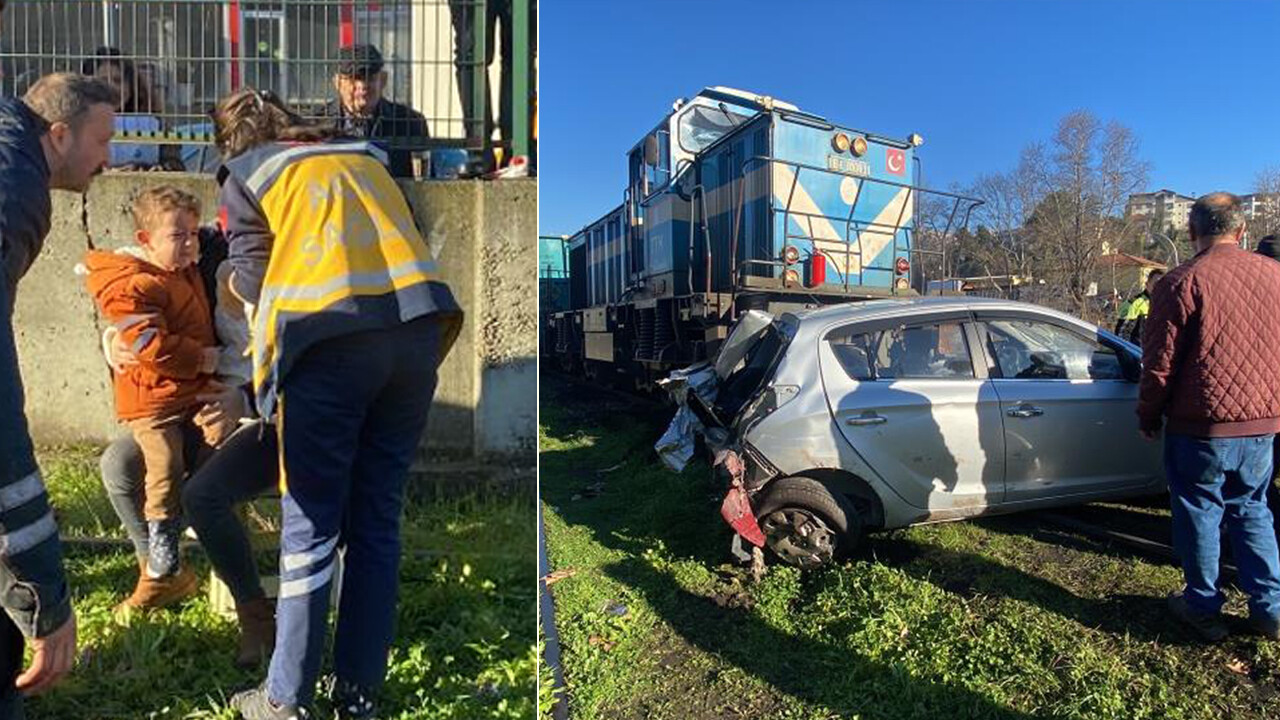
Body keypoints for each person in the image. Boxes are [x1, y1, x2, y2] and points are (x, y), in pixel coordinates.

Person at [213, 87, 461, 719]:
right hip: (416, 336)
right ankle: (357, 695)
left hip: (329, 350)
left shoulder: (249, 174)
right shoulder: (366, 157)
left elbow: (250, 277)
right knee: (376, 521)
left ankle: (284, 699)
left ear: (233, 142)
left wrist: (229, 294)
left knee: (311, 526)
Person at [0, 72, 116, 720]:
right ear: (61, 133)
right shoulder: (12, 187)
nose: (111, 159)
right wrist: (46, 594)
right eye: (103, 139)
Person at [1138, 192, 1280, 642]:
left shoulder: (1181, 282)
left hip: (1201, 425)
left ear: (1192, 231)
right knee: (1253, 510)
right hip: (1263, 424)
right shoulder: (1276, 277)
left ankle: (1201, 604)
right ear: (1242, 232)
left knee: (1200, 512)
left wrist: (1148, 413)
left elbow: (1158, 362)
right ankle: (1271, 609)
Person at [84, 187, 229, 589]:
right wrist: (114, 340)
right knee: (138, 463)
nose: (189, 243)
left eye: (192, 235)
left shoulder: (198, 258)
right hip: (161, 401)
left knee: (210, 454)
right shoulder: (152, 272)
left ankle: (194, 529)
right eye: (179, 237)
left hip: (209, 395)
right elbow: (144, 333)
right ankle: (158, 557)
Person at [317, 44, 428, 179]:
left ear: (383, 80)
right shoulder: (317, 123)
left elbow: (423, 179)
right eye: (354, 78)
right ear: (337, 83)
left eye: (370, 78)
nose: (362, 86)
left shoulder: (410, 122)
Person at [81, 47, 176, 170]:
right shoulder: (77, 124)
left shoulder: (154, 122)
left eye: (118, 80)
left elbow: (175, 165)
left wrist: (146, 169)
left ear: (132, 86)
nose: (111, 88)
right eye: (103, 81)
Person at [1114, 268, 1165, 345]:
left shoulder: (1165, 305)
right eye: (1155, 284)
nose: (1158, 288)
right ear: (1147, 284)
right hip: (1137, 353)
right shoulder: (1135, 303)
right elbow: (1122, 336)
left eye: (1162, 285)